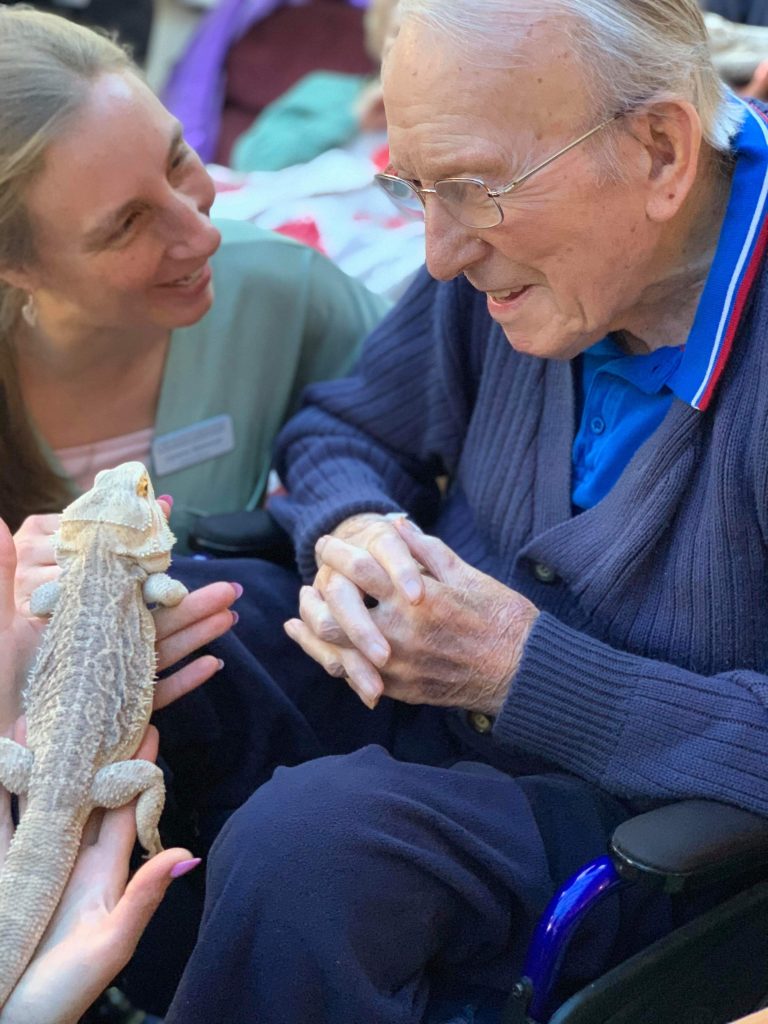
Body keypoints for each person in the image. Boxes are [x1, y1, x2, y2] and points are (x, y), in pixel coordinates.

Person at [12, 0, 768, 1020]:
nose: (441, 252)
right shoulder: (518, 257)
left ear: (663, 149)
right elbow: (340, 433)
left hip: (653, 810)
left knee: (316, 848)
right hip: (425, 713)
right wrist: (355, 532)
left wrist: (519, 665)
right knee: (135, 645)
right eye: (413, 186)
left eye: (468, 187)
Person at [0, 7, 389, 553]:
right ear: (16, 266)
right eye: (128, 224)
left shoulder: (280, 288)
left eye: (177, 159)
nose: (204, 237)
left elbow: (436, 425)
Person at [0, 512, 240, 1024]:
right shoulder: (146, 578)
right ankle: (149, 831)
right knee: (151, 774)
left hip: (33, 770)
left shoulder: (67, 582)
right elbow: (173, 596)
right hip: (85, 781)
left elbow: (40, 603)